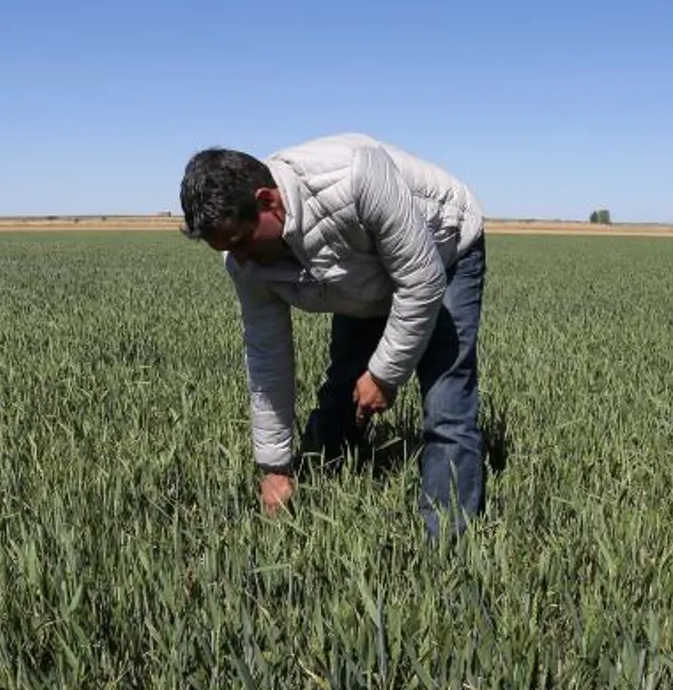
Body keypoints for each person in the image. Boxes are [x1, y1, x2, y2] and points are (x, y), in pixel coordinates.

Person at [178, 132, 488, 540]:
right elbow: (267, 356)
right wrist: (274, 467)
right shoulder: (244, 259)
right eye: (227, 250)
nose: (240, 259)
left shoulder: (355, 175)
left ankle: (445, 545)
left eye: (241, 243)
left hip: (444, 251)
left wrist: (384, 375)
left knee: (446, 401)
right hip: (359, 273)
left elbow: (421, 282)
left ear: (268, 201)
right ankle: (319, 491)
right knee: (344, 387)